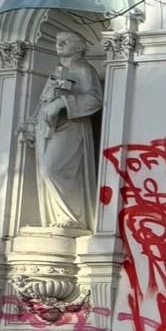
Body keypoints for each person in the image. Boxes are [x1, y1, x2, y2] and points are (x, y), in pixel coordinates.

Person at [30, 31, 103, 229]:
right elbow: (44, 100)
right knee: (46, 170)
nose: (59, 43)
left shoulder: (83, 69)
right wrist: (32, 123)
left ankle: (73, 217)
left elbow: (95, 100)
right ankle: (60, 216)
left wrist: (64, 102)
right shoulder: (57, 70)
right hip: (49, 129)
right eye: (57, 40)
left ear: (79, 47)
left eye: (66, 41)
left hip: (72, 127)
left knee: (52, 169)